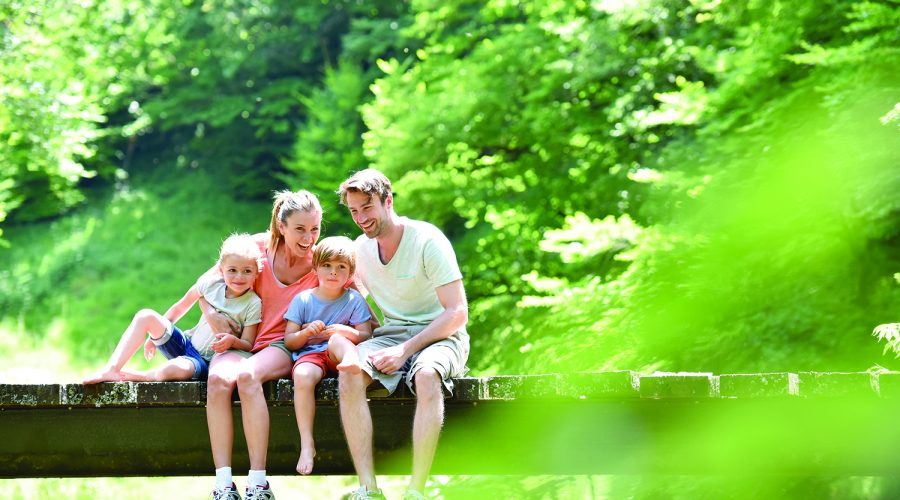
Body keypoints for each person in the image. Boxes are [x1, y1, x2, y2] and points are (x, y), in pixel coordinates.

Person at [337, 169, 470, 500]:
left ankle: (416, 491)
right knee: (349, 373)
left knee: (426, 375)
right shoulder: (360, 250)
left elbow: (457, 312)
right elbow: (350, 300)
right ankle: (368, 489)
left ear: (388, 201)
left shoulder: (427, 240)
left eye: (367, 207)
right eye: (354, 211)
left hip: (442, 335)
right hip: (391, 334)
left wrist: (406, 351)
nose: (361, 218)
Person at [204, 190, 323, 500]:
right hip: (239, 341)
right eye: (300, 229)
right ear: (281, 227)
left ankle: (258, 484)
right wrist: (213, 317)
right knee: (217, 381)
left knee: (247, 376)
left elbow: (357, 303)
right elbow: (203, 287)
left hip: (280, 345)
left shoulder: (323, 261)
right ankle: (223, 485)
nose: (309, 237)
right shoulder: (256, 249)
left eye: (315, 228)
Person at [82, 233, 262, 384]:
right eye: (232, 270)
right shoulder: (210, 284)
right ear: (221, 269)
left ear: (256, 272)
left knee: (175, 370)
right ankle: (112, 369)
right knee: (145, 316)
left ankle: (144, 376)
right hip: (186, 344)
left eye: (247, 271)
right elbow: (179, 308)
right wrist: (156, 335)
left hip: (204, 362)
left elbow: (248, 344)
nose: (239, 276)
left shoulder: (253, 303)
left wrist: (232, 341)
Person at [283, 235, 373, 476]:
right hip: (312, 356)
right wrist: (305, 332)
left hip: (340, 355)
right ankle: (306, 443)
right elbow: (289, 341)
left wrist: (347, 331)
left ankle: (352, 360)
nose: (333, 272)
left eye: (341, 267)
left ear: (350, 273)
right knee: (302, 375)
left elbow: (366, 335)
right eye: (327, 266)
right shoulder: (303, 300)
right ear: (316, 267)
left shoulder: (353, 299)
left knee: (336, 339)